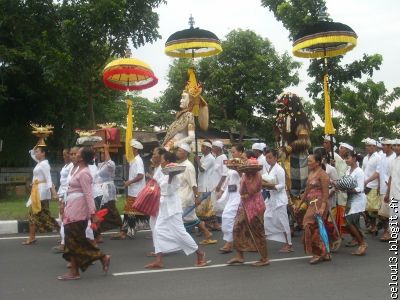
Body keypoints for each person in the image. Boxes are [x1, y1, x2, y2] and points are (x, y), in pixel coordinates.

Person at [145, 152, 209, 269]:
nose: (161, 161)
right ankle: (159, 260)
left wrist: (170, 177)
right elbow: (162, 187)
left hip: (173, 207)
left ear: (168, 161)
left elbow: (169, 190)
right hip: (164, 206)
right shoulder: (165, 173)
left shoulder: (174, 173)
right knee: (158, 230)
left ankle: (200, 253)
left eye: (163, 159)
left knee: (180, 232)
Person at [58, 147, 110, 280]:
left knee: (74, 240)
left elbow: (88, 194)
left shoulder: (85, 173)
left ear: (81, 158)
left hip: (79, 210)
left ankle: (79, 269)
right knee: (73, 240)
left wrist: (93, 214)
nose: (73, 156)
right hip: (71, 207)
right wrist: (64, 203)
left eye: (76, 154)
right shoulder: (75, 169)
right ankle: (79, 270)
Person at [227, 158, 270, 267]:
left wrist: (246, 181)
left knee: (258, 231)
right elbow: (241, 191)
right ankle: (239, 255)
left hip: (255, 206)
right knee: (237, 227)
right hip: (244, 205)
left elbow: (251, 190)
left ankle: (264, 258)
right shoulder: (245, 176)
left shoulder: (257, 176)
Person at [176, 143, 216, 244]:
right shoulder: (178, 164)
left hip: (185, 197)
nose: (177, 152)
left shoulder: (188, 166)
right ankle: (206, 233)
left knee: (180, 218)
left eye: (180, 151)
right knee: (191, 218)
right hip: (179, 195)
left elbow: (193, 184)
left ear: (185, 154)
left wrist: (196, 197)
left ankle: (181, 241)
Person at [297, 152, 330, 264]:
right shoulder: (311, 173)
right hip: (312, 203)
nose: (308, 163)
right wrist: (300, 203)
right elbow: (307, 189)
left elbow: (326, 193)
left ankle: (318, 253)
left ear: (318, 162)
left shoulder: (323, 175)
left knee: (310, 225)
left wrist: (322, 208)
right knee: (316, 228)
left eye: (310, 161)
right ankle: (324, 253)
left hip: (319, 204)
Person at [23, 146, 59, 245]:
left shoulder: (45, 165)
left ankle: (32, 237)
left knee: (33, 214)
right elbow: (32, 153)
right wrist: (39, 142)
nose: (36, 153)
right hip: (37, 191)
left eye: (38, 151)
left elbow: (49, 179)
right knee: (44, 215)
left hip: (41, 192)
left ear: (43, 153)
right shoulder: (40, 163)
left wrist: (54, 193)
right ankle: (63, 233)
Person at [112, 139, 146, 240]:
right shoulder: (133, 160)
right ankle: (126, 231)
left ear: (135, 149)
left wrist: (129, 182)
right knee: (128, 211)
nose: (129, 150)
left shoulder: (138, 161)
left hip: (137, 191)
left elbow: (140, 176)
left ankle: (129, 230)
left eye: (131, 149)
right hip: (133, 190)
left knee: (131, 212)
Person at [338, 149, 368, 255]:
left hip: (358, 200)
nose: (346, 160)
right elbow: (344, 183)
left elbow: (360, 188)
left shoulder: (359, 172)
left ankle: (362, 243)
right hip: (350, 199)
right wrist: (338, 186)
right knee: (349, 222)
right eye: (345, 158)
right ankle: (360, 240)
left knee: (349, 221)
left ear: (354, 159)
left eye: (348, 158)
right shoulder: (347, 171)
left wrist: (347, 189)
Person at [263, 149, 293, 253]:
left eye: (270, 157)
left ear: (276, 158)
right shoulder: (269, 168)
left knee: (283, 222)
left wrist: (269, 185)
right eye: (266, 157)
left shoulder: (279, 169)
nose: (268, 159)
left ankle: (289, 244)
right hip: (271, 198)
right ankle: (265, 238)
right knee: (267, 218)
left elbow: (281, 185)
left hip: (280, 199)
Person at [93, 144, 122, 243]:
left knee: (109, 209)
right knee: (102, 211)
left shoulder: (111, 164)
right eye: (101, 154)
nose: (102, 156)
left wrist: (106, 149)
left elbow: (109, 163)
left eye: (103, 154)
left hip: (107, 190)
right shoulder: (101, 165)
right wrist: (95, 150)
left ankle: (122, 227)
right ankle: (98, 233)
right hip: (99, 189)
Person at [219, 144, 245, 253]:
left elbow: (244, 177)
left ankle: (229, 243)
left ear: (240, 152)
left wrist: (237, 169)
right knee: (229, 218)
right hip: (231, 195)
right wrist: (221, 190)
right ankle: (234, 241)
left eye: (234, 152)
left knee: (228, 217)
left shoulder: (243, 163)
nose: (232, 154)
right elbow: (228, 179)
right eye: (232, 152)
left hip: (239, 195)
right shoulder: (231, 163)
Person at [52, 148, 73, 253]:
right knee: (61, 218)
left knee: (64, 218)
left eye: (67, 155)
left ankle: (64, 243)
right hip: (62, 192)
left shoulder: (72, 166)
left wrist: (63, 199)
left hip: (67, 194)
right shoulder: (66, 166)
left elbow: (69, 184)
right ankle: (64, 239)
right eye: (63, 155)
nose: (65, 157)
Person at [376, 139, 396, 241]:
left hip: (392, 190)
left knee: (391, 213)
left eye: (384, 145)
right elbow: (379, 172)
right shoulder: (382, 157)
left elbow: (392, 176)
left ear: (389, 146)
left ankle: (390, 232)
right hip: (383, 189)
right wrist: (379, 186)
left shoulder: (394, 158)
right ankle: (387, 231)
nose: (382, 147)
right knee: (383, 214)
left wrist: (389, 189)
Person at [195, 140, 217, 230]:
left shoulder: (211, 158)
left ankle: (207, 226)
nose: (201, 148)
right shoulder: (204, 157)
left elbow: (202, 169)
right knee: (203, 206)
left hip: (206, 185)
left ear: (208, 148)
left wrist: (197, 161)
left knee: (204, 206)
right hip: (202, 184)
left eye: (203, 147)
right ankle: (207, 225)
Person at [362, 138, 381, 234]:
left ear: (375, 147)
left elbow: (378, 173)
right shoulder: (365, 157)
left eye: (370, 146)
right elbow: (363, 170)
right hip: (365, 185)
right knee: (365, 208)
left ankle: (375, 226)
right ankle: (372, 225)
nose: (368, 147)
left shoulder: (378, 157)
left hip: (373, 185)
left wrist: (367, 181)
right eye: (367, 146)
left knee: (372, 209)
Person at [384, 139, 400, 240]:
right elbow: (390, 178)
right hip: (393, 195)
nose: (396, 148)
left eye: (399, 145)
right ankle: (397, 239)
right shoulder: (393, 160)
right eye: (395, 146)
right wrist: (387, 193)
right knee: (393, 219)